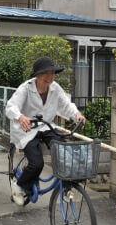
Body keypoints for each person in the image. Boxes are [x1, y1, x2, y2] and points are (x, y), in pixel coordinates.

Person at [5, 56, 85, 206]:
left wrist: (77, 115)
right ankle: (19, 185)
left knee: (63, 152)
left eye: (53, 73)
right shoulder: (26, 88)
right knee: (37, 164)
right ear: (37, 75)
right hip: (26, 130)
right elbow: (10, 107)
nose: (50, 77)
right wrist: (21, 116)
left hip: (45, 126)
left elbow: (66, 104)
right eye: (46, 73)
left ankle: (67, 186)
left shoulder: (55, 88)